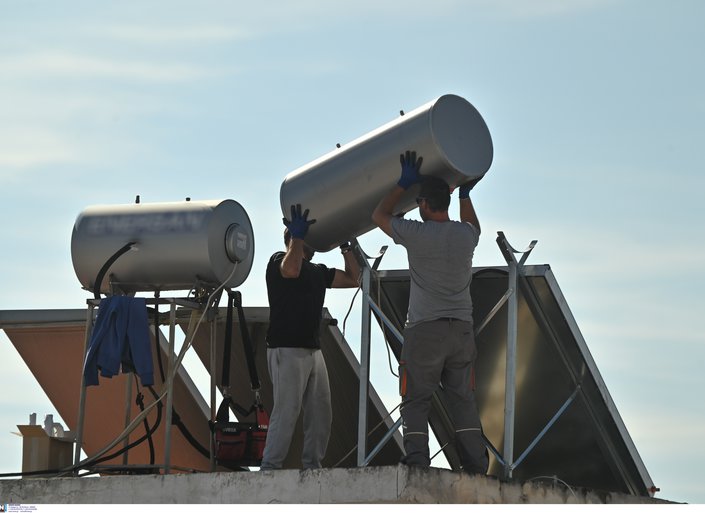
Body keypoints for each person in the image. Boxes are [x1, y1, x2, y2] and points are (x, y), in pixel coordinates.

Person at [371, 150, 488, 474]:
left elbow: (379, 215)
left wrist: (400, 184)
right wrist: (465, 194)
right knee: (462, 400)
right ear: (447, 202)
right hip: (461, 330)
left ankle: (419, 463)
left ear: (423, 204)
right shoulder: (464, 236)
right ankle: (476, 466)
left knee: (416, 400)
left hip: (425, 331)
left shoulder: (417, 234)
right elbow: (474, 225)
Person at [260, 203, 361, 470]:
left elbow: (354, 279)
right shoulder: (277, 262)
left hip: (311, 350)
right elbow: (291, 270)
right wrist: (297, 237)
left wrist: (345, 246)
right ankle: (270, 467)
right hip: (286, 348)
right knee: (287, 411)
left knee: (321, 414)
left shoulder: (317, 271)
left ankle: (312, 466)